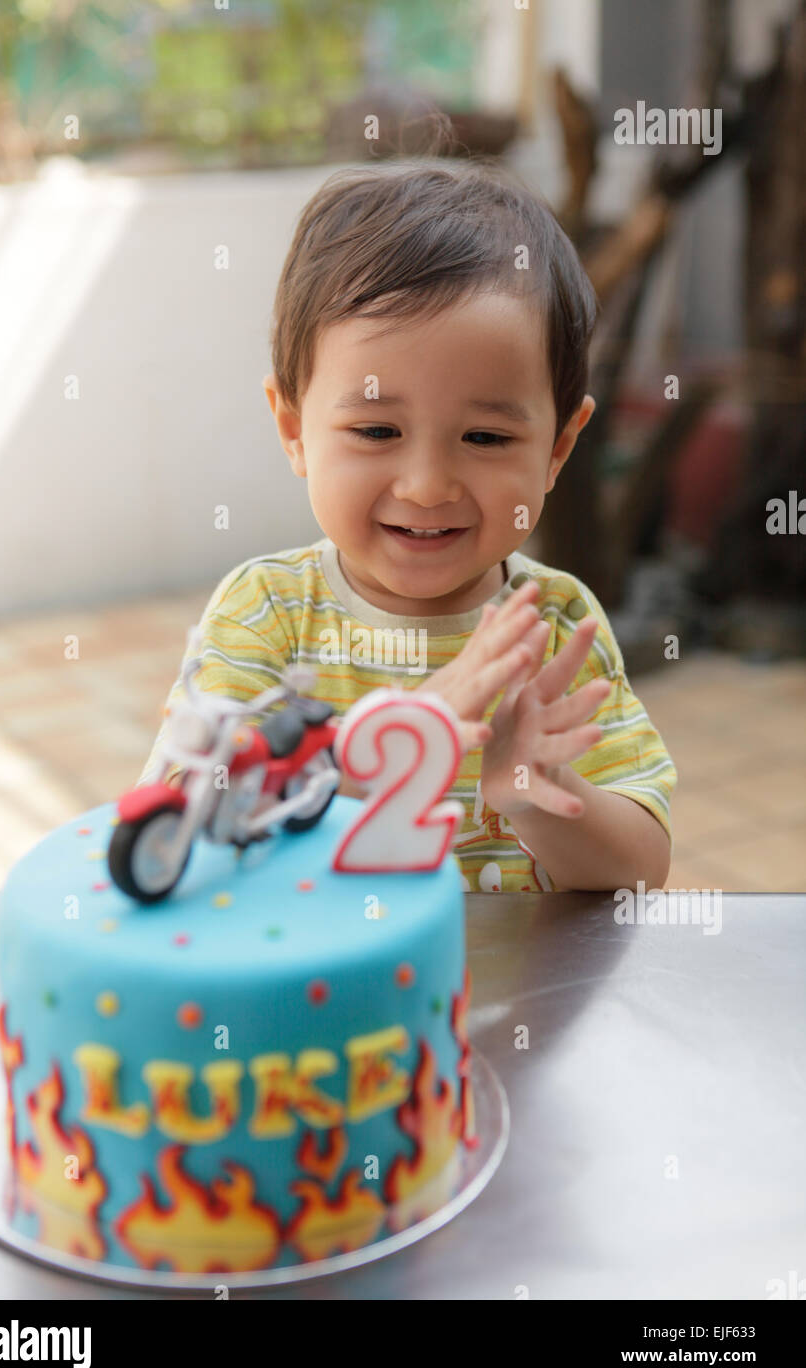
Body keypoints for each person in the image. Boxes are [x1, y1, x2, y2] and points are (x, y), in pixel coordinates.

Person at [139, 161, 676, 891]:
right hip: (321, 998)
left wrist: (536, 794)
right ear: (294, 428)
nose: (426, 487)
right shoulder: (267, 613)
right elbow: (195, 835)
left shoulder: (551, 627)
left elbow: (640, 872)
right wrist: (411, 734)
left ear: (557, 448)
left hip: (514, 1003)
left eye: (485, 438)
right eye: (376, 430)